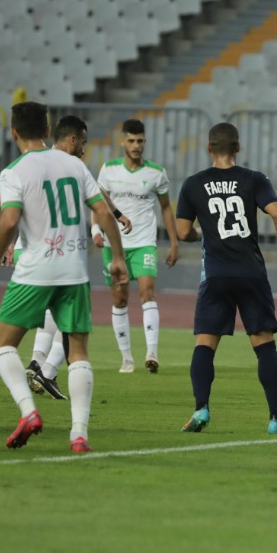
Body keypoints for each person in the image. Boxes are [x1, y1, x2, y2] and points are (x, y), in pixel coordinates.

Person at [0, 102, 128, 452]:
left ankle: (29, 412)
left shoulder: (14, 171)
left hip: (35, 270)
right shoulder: (74, 165)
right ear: (48, 130)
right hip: (74, 271)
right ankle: (79, 433)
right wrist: (118, 257)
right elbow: (103, 212)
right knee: (78, 352)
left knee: (4, 345)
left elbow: (8, 218)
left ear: (14, 133)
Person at [174, 121, 277, 435]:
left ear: (209, 148)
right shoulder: (254, 179)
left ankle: (201, 409)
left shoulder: (193, 184)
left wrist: (202, 233)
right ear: (238, 147)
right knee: (264, 345)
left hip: (215, 274)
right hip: (251, 273)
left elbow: (182, 231)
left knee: (205, 344)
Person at [94, 118, 179, 374]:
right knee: (119, 299)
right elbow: (97, 203)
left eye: (140, 141)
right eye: (131, 140)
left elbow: (166, 208)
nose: (136, 145)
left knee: (147, 293)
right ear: (123, 142)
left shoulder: (156, 173)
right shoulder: (108, 170)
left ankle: (152, 353)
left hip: (144, 243)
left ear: (145, 142)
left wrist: (174, 242)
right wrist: (95, 229)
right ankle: (127, 359)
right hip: (114, 245)